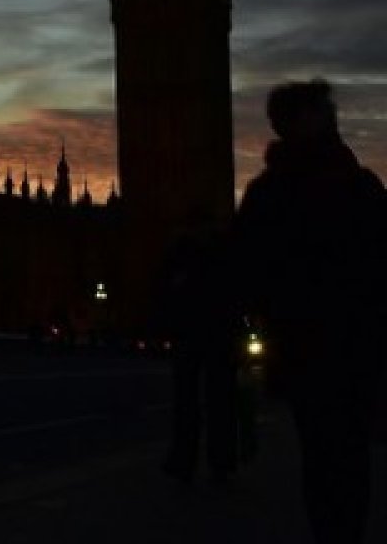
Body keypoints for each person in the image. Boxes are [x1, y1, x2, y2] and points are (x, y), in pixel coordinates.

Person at [235, 80, 387, 544]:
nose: (330, 114)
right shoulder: (351, 186)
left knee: (331, 452)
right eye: (319, 109)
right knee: (335, 453)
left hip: (333, 342)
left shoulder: (277, 191)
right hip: (325, 342)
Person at [158, 227, 240, 482]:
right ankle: (220, 460)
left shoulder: (182, 248)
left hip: (191, 331)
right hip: (217, 330)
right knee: (219, 398)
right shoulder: (224, 247)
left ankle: (185, 459)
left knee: (187, 399)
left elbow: (165, 287)